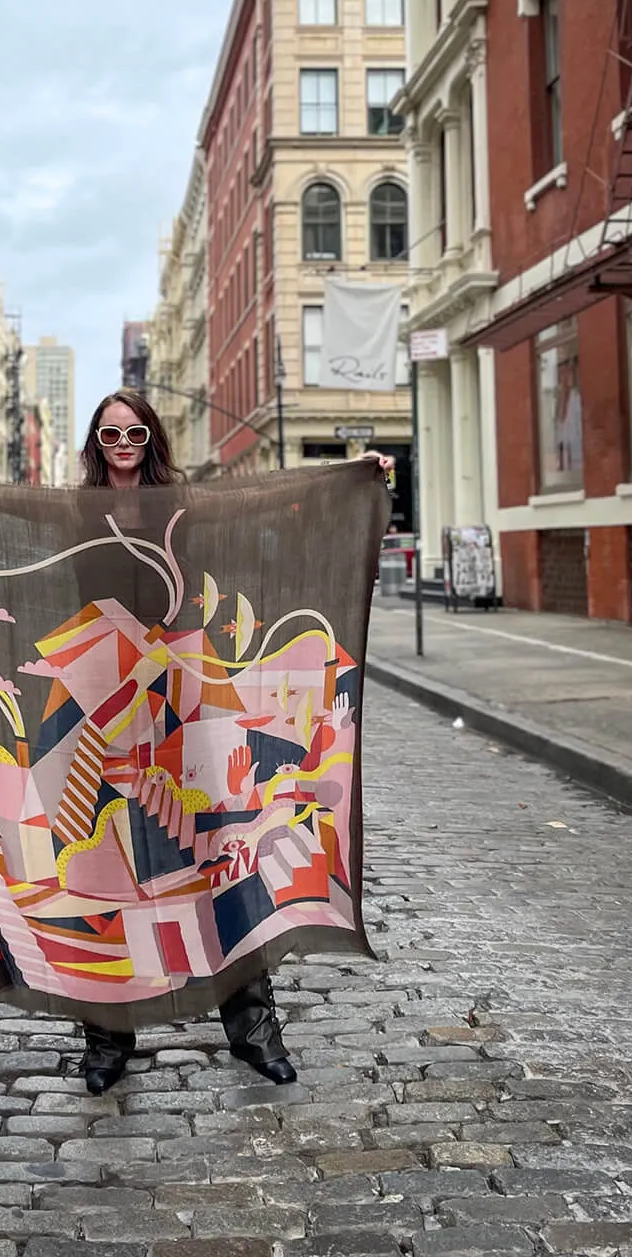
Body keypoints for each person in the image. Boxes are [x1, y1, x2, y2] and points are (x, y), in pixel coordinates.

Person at [75, 388, 394, 1097]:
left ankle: (253, 1033)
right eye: (109, 436)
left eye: (132, 434)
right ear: (95, 444)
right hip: (110, 710)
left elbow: (258, 510)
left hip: (191, 706)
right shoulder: (75, 513)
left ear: (151, 438)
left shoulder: (184, 504)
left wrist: (354, 476)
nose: (122, 446)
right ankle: (106, 1043)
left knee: (224, 864)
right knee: (112, 879)